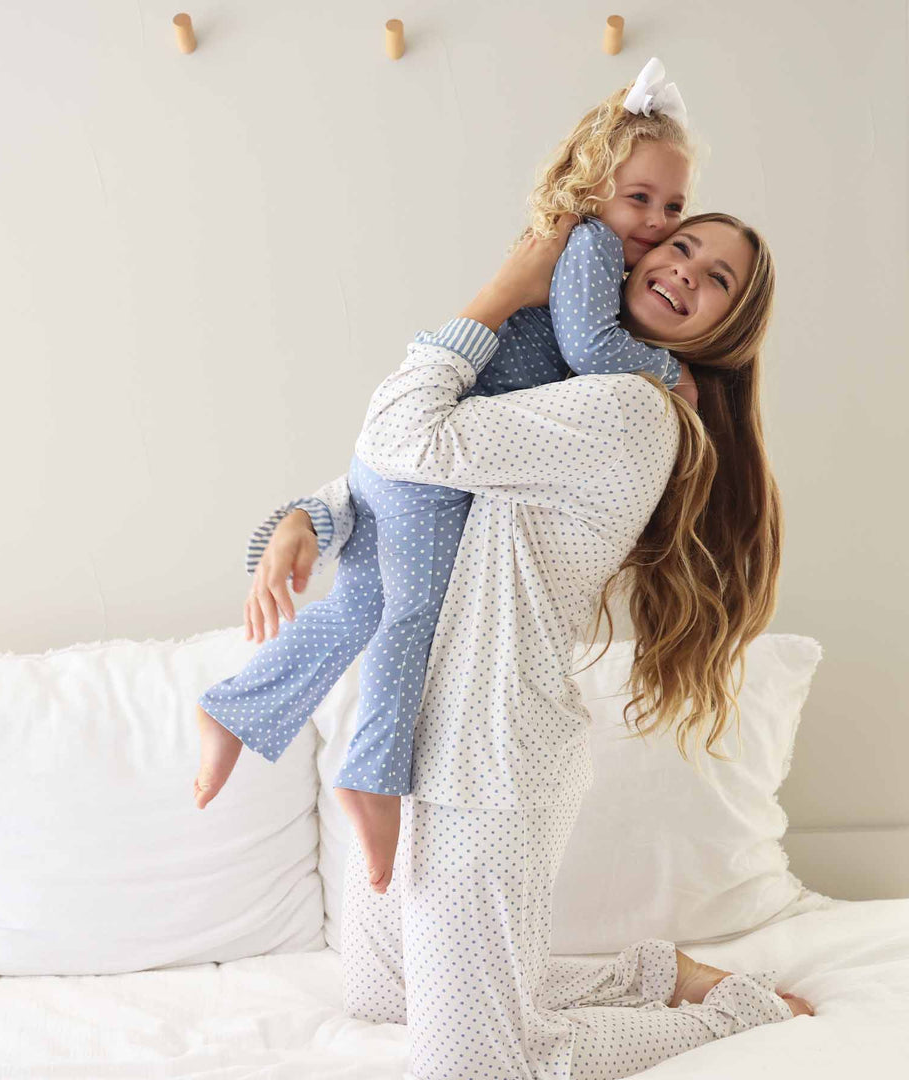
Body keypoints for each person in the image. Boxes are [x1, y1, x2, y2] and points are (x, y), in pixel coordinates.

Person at [220, 215, 815, 1077]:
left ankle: (733, 1013)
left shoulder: (623, 409)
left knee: (480, 1064)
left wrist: (503, 290)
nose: (688, 272)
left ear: (724, 331)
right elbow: (414, 489)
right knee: (385, 995)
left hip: (490, 754)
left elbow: (406, 438)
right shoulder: (569, 380)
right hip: (419, 736)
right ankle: (655, 974)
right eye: (682, 246)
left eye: (718, 279)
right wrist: (309, 518)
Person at [193, 58, 702, 896]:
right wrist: (666, 369)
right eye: (638, 196)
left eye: (672, 206)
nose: (653, 220)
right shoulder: (589, 245)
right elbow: (586, 350)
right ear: (594, 186)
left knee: (360, 606)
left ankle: (236, 707)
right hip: (430, 462)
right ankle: (374, 771)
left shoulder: (595, 251)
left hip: (411, 457)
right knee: (413, 613)